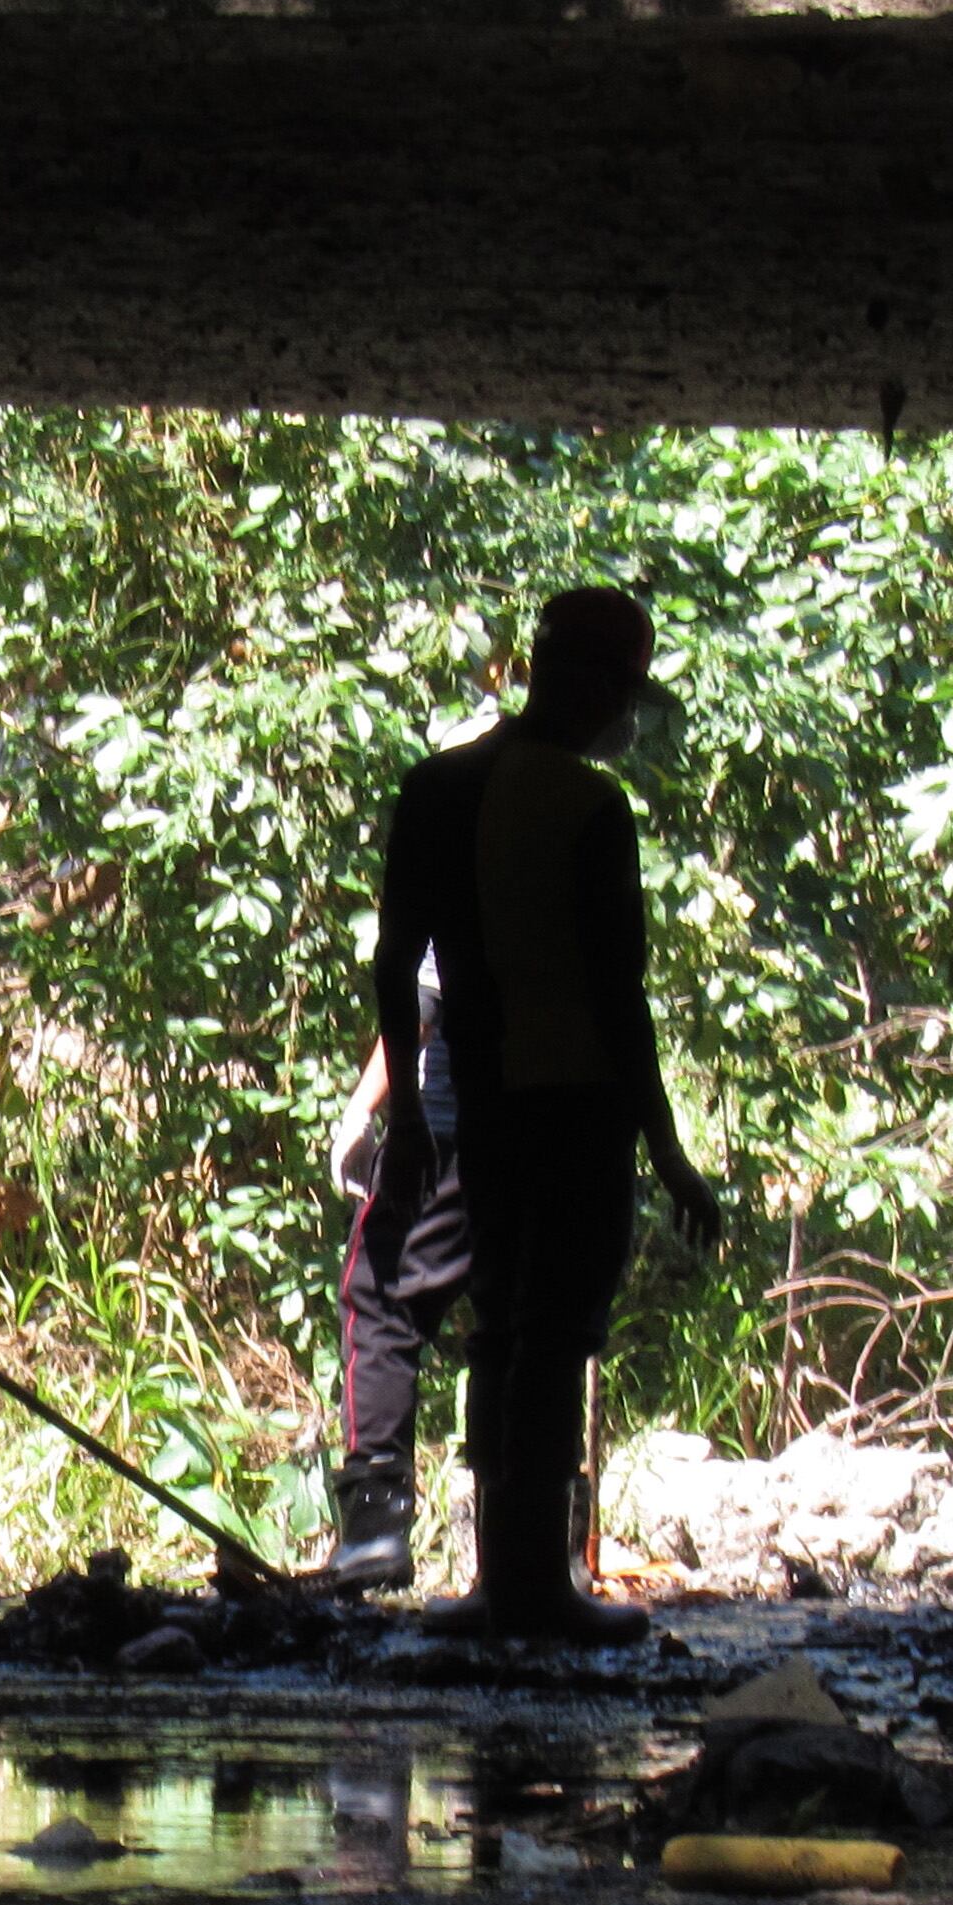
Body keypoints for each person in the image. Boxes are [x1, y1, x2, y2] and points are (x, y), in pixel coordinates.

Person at [368, 589, 724, 1645]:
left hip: (483, 1100)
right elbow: (619, 997)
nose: (624, 714)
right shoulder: (586, 805)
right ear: (589, 681)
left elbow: (395, 961)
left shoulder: (436, 787)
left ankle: (497, 1582)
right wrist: (666, 1149)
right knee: (556, 1333)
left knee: (500, 1328)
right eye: (622, 690)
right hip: (575, 1106)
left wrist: (410, 1115)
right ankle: (534, 1589)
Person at [318, 956, 469, 1593]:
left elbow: (422, 1007)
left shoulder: (459, 866)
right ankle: (542, 1554)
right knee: (529, 1335)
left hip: (450, 1130)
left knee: (380, 1299)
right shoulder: (582, 868)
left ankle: (374, 1533)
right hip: (561, 1135)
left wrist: (362, 1113)